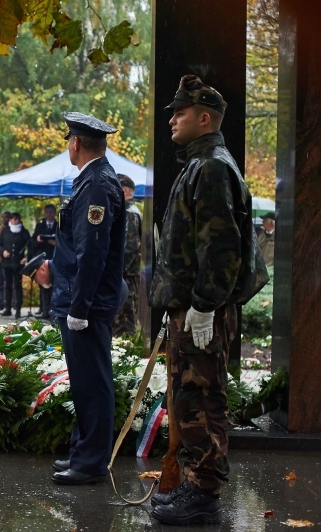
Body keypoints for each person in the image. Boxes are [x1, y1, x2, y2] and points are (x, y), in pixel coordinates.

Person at [148, 75, 268, 526]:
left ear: (204, 118)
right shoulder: (202, 164)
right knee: (189, 400)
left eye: (179, 113)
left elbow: (220, 248)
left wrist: (203, 304)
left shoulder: (212, 166)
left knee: (201, 401)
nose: (172, 120)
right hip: (194, 310)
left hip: (203, 312)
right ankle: (197, 488)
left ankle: (203, 494)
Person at [48, 112, 125, 486]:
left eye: (68, 140)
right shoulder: (93, 181)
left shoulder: (96, 185)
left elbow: (91, 254)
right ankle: (83, 452)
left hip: (87, 304)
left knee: (92, 382)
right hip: (81, 299)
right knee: (84, 381)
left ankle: (92, 462)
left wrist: (79, 308)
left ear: (75, 143)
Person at [112, 174, 142, 336]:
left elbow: (130, 248)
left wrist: (115, 271)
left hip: (126, 278)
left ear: (125, 191)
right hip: (125, 277)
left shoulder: (129, 213)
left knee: (123, 325)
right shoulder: (127, 211)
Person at [0, 212, 30, 319]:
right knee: (8, 285)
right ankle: (7, 308)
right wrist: (3, 252)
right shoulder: (5, 231)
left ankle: (18, 309)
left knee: (18, 286)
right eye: (13, 219)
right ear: (10, 220)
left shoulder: (24, 232)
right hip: (7, 263)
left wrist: (26, 258)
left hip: (18, 263)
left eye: (17, 219)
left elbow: (31, 246)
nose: (15, 221)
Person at [31, 204, 58, 318]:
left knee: (53, 285)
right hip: (42, 259)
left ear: (54, 213)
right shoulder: (40, 225)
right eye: (47, 212)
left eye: (51, 212)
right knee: (43, 284)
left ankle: (53, 310)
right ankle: (44, 309)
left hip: (54, 258)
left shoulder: (58, 225)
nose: (49, 214)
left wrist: (55, 243)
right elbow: (32, 243)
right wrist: (37, 240)